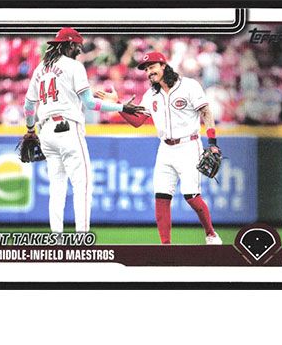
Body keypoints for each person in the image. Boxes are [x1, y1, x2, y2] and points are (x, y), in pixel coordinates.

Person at [23, 27, 143, 234]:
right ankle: (82, 238)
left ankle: (57, 238)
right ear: (69, 45)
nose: (79, 50)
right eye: (77, 46)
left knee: (56, 189)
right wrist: (121, 107)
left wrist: (30, 130)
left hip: (45, 132)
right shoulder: (73, 66)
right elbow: (90, 103)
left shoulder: (40, 68)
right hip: (67, 129)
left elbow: (28, 106)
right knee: (82, 186)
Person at [96, 51, 223, 245]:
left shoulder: (189, 86)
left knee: (191, 196)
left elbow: (205, 112)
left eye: (152, 67)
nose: (149, 72)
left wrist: (212, 143)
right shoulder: (151, 94)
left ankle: (211, 234)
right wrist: (118, 105)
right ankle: (165, 246)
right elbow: (137, 121)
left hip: (189, 146)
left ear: (163, 66)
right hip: (165, 148)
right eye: (146, 69)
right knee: (161, 197)